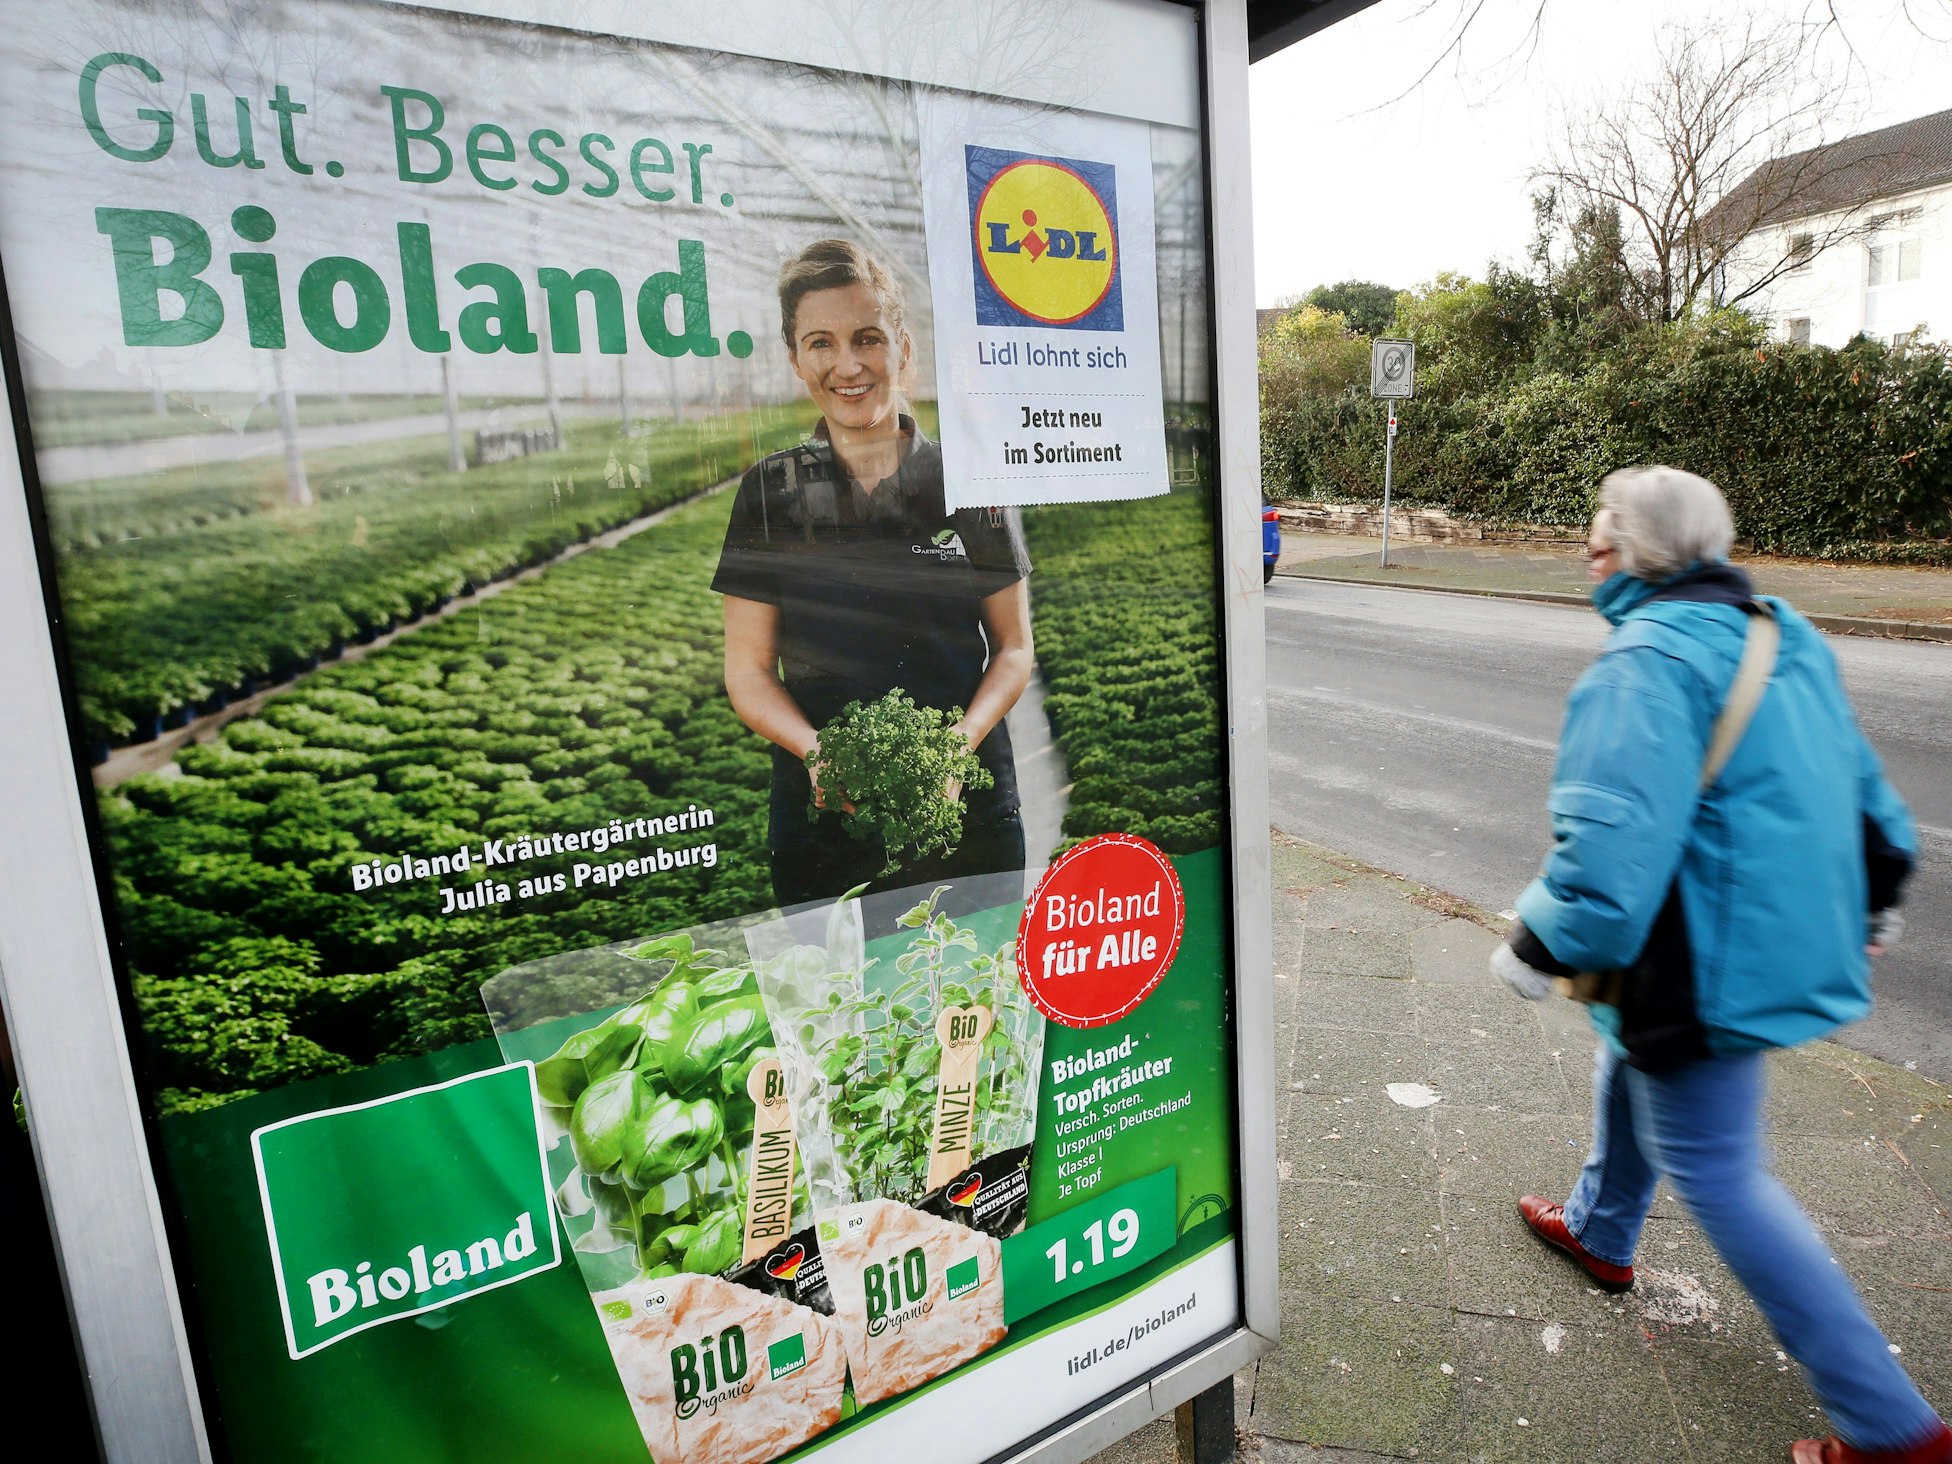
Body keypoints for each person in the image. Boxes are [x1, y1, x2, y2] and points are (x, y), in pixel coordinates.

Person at [1490, 466, 1946, 1464]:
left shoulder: (1641, 660)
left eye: (1596, 534)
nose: (1586, 551)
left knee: (1719, 1172)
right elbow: (1865, 792)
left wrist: (1534, 940)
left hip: (1700, 962)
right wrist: (1874, 899)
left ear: (1628, 551)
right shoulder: (1780, 633)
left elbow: (1605, 864)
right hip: (1761, 934)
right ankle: (1599, 1229)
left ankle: (1892, 1429)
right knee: (1632, 1052)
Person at [712, 239, 1033, 910]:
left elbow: (1013, 649)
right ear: (797, 359)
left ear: (903, 347)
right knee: (836, 1006)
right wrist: (816, 750)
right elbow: (747, 670)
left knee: (970, 1006)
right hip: (825, 820)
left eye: (868, 338)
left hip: (965, 809)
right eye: (821, 343)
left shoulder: (969, 481)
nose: (848, 365)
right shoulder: (769, 492)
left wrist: (955, 747)